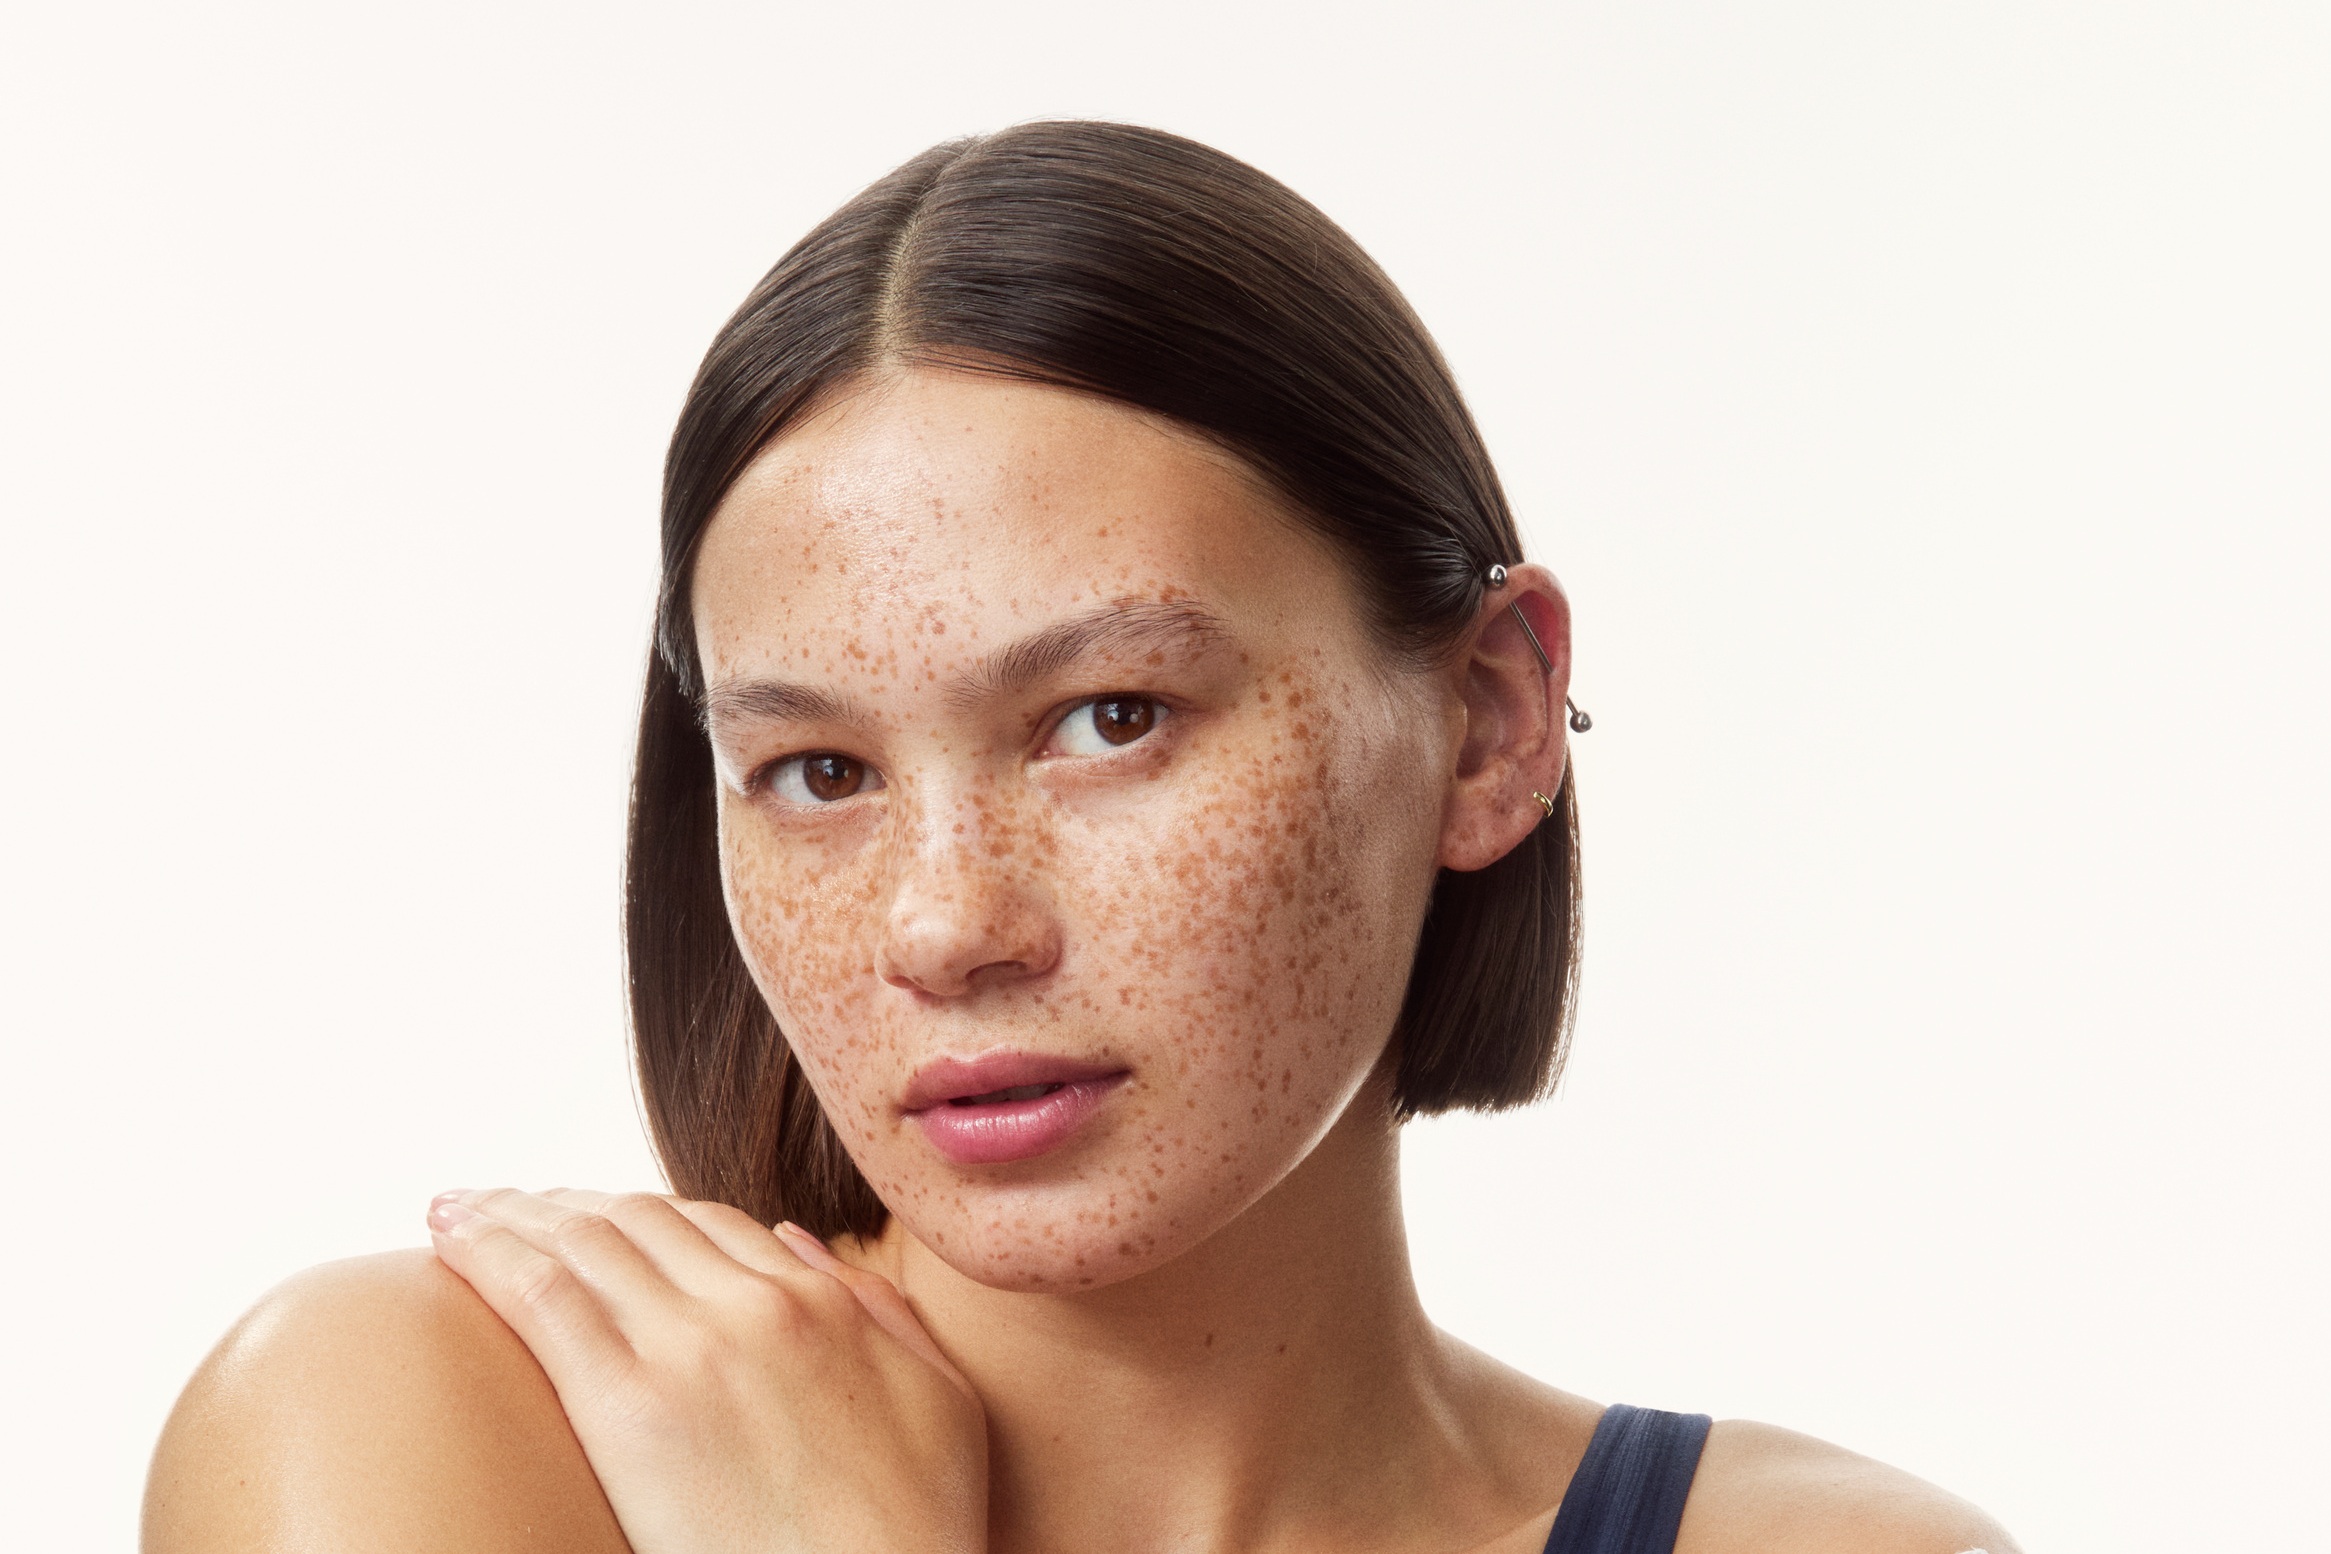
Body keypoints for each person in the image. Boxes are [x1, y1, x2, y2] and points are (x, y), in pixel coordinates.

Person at [143, 121, 2018, 1554]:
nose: (946, 922)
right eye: (819, 771)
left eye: (1111, 718)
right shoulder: (411, 1434)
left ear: (1490, 722)